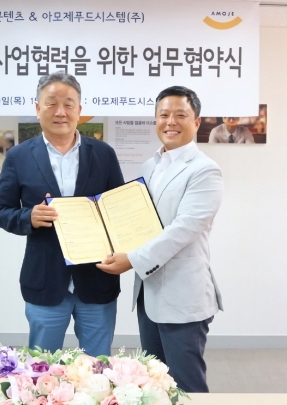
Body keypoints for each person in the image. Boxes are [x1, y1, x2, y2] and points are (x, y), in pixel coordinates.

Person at [97, 86, 223, 392]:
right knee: (156, 383)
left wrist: (132, 259)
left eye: (180, 115)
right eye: (164, 115)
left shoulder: (205, 170)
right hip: (149, 293)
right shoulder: (150, 166)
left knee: (187, 386)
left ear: (196, 122)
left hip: (183, 295)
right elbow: (141, 223)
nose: (171, 122)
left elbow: (184, 229)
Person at [0, 71, 124, 356]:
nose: (60, 112)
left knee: (97, 367)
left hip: (97, 279)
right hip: (45, 281)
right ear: (38, 108)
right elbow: (0, 210)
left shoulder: (104, 154)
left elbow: (119, 211)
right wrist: (28, 217)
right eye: (51, 103)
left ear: (80, 109)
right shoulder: (18, 157)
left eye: (68, 104)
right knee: (42, 369)